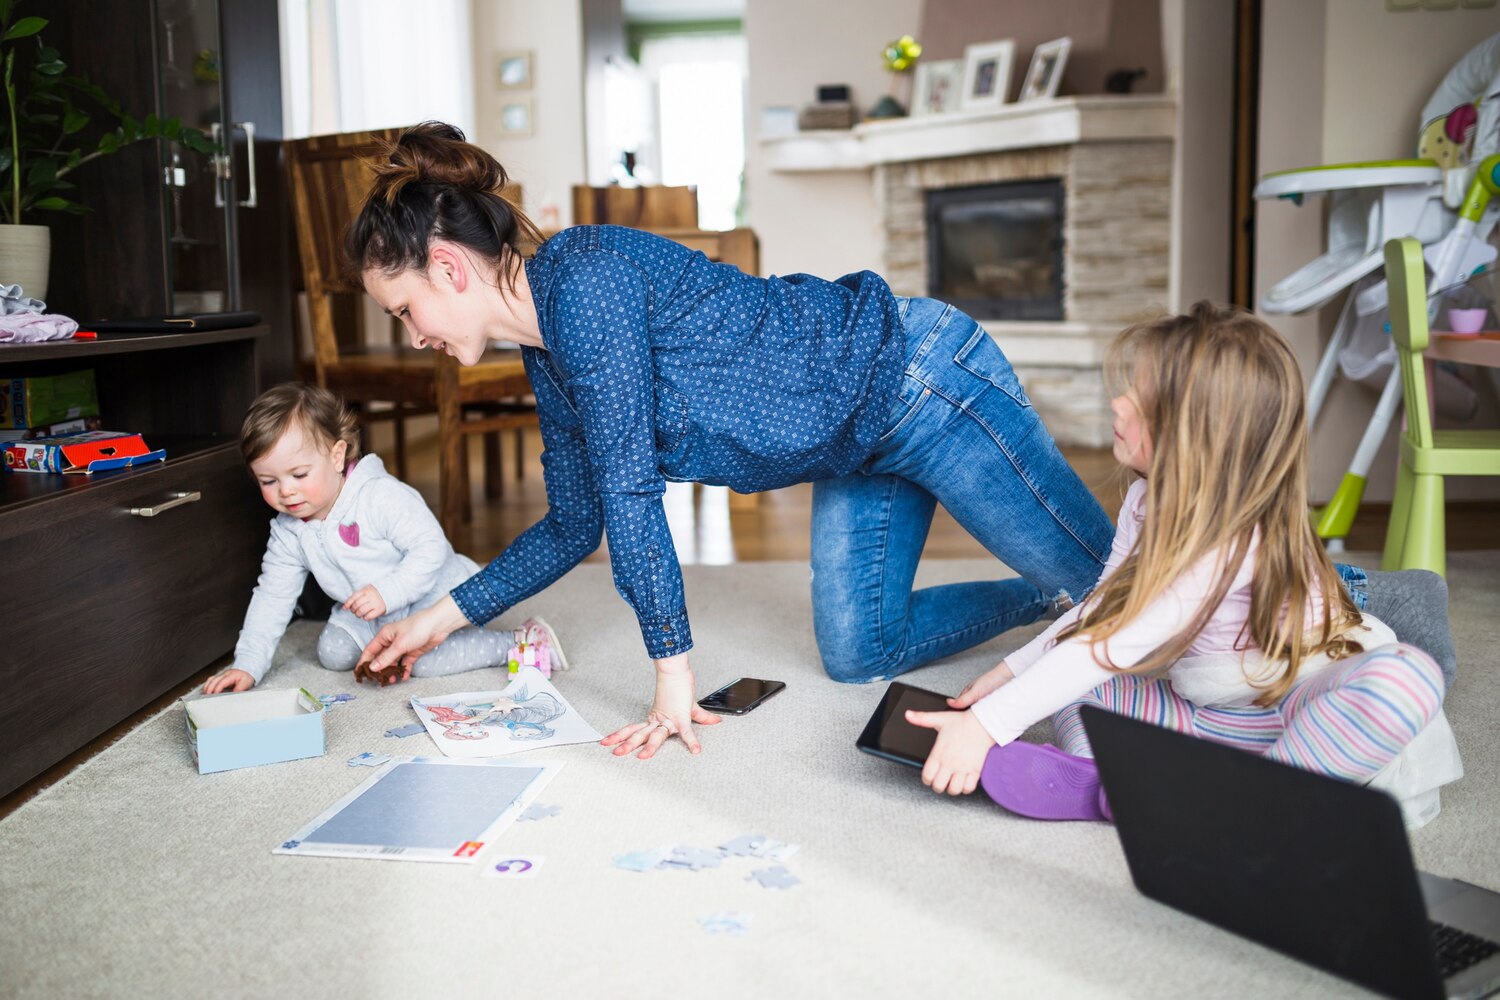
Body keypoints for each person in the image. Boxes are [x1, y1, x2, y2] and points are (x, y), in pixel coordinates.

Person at [344, 122, 1117, 757]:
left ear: (446, 269)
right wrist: (439, 618)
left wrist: (672, 678)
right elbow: (578, 521)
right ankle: (1049, 600)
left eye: (405, 311)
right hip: (854, 443)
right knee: (860, 653)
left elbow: (631, 491)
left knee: (1117, 590)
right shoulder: (550, 355)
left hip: (917, 379)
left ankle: (1120, 611)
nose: (412, 338)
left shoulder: (582, 280)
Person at [906, 304, 1461, 826]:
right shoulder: (1146, 501)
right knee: (1076, 689)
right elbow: (1102, 612)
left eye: (1141, 401)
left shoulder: (1223, 540)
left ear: (1200, 435)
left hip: (1306, 704)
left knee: (1407, 678)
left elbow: (1111, 642)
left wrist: (987, 725)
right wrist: (1009, 677)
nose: (1118, 404)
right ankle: (1120, 788)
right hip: (1220, 715)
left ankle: (1258, 804)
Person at [203, 382, 563, 694]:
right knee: (333, 654)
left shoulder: (379, 495)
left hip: (430, 591)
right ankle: (386, 637)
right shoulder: (288, 530)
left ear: (337, 455)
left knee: (423, 663)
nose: (287, 492)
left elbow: (431, 549)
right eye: (269, 481)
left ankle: (517, 642)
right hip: (369, 610)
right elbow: (272, 594)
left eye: (298, 474)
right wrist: (248, 663)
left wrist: (388, 592)